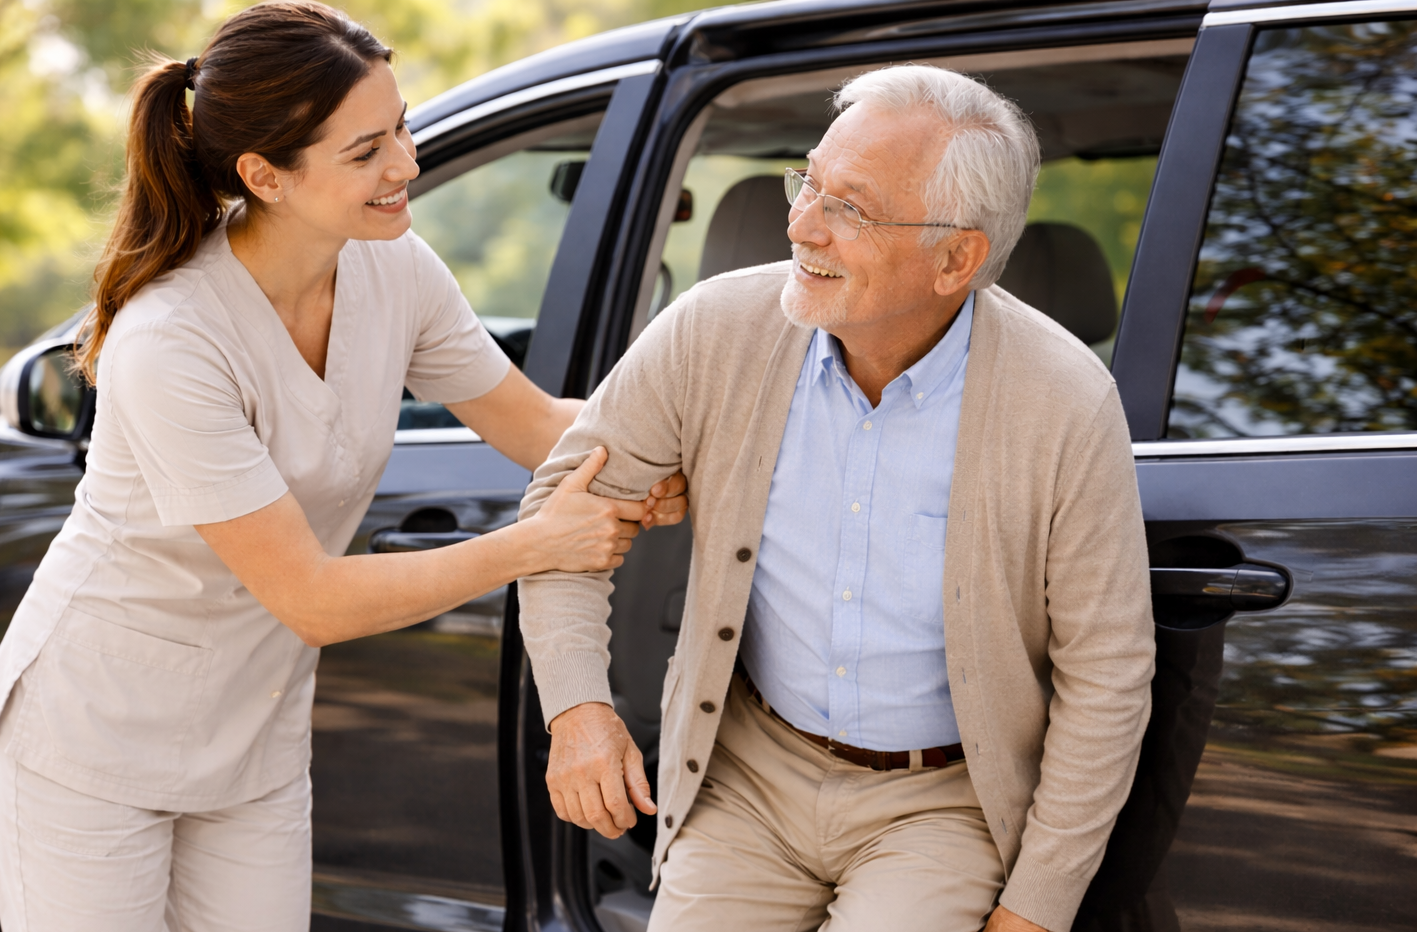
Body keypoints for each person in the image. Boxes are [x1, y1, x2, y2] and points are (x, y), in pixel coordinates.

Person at [0, 3, 686, 930]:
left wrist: (680, 456)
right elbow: (313, 598)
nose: (406, 164)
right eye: (365, 152)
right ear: (264, 175)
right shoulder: (172, 340)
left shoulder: (394, 271)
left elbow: (540, 429)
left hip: (256, 739)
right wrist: (532, 543)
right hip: (93, 740)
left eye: (399, 126)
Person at [516, 64, 1156, 932]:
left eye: (846, 207)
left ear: (954, 258)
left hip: (941, 803)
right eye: (806, 182)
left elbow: (1108, 677)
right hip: (745, 775)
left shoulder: (1066, 402)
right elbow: (563, 505)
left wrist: (1034, 908)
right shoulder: (712, 329)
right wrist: (578, 709)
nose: (799, 225)